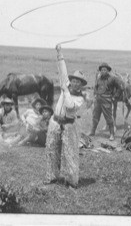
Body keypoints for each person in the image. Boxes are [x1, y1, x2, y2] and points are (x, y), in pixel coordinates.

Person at [45, 44, 89, 188]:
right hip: (55, 122)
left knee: (70, 153)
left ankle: (71, 181)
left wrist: (66, 91)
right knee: (52, 150)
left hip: (69, 126)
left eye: (78, 82)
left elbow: (70, 107)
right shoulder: (66, 84)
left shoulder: (80, 99)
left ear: (81, 85)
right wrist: (59, 53)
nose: (75, 83)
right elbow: (62, 70)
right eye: (74, 80)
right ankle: (52, 176)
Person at [90, 62, 123, 141]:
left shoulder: (113, 78)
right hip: (98, 100)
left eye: (105, 70)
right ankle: (92, 131)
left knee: (108, 118)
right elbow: (96, 87)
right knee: (95, 116)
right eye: (101, 70)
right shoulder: (98, 78)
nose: (103, 71)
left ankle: (112, 134)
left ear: (108, 70)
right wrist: (95, 94)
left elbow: (120, 88)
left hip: (107, 100)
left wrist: (114, 97)